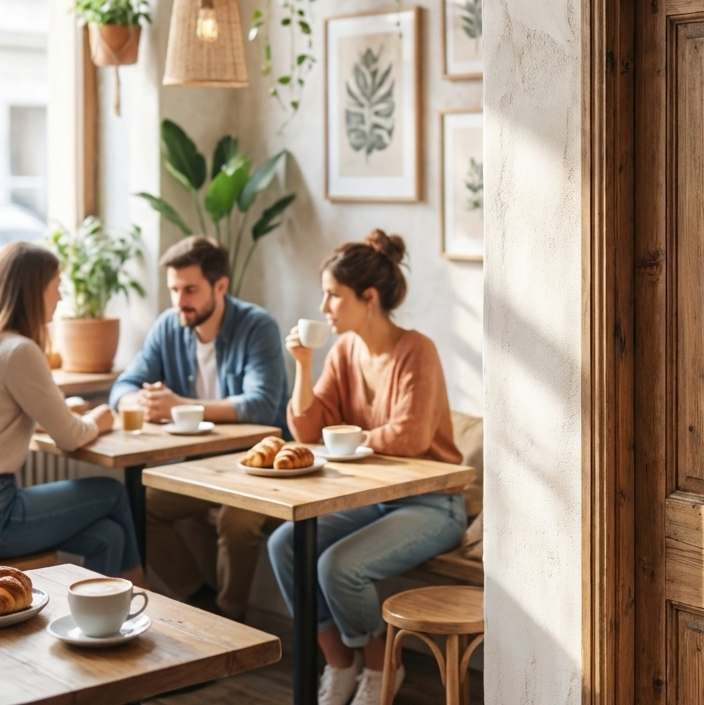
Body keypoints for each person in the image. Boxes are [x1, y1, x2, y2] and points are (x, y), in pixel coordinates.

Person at [267, 230, 466, 705]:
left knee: (338, 565)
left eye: (333, 295)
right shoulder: (343, 352)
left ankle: (381, 668)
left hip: (433, 504)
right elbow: (307, 433)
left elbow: (412, 437)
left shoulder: (417, 351)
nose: (324, 307)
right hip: (374, 502)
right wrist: (302, 364)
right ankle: (340, 663)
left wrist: (348, 440)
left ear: (369, 298)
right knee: (286, 544)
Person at [109, 235, 288, 618]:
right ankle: (201, 601)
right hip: (200, 467)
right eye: (174, 289)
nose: (179, 301)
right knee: (139, 505)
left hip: (256, 466)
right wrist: (141, 401)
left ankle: (231, 616)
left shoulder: (257, 326)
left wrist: (179, 406)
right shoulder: (169, 326)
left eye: (190, 289)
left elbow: (261, 404)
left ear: (220, 286)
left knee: (235, 520)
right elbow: (122, 386)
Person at [0, 243, 143, 580]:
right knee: (112, 492)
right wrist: (100, 417)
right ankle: (143, 589)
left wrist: (56, 413)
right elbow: (69, 437)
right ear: (35, 291)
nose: (62, 297)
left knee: (109, 535)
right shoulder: (20, 350)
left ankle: (98, 624)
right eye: (57, 286)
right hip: (4, 513)